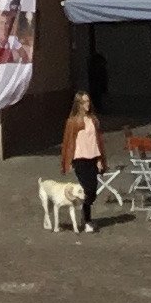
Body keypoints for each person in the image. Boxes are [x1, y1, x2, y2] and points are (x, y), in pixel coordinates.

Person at [61, 95, 106, 236]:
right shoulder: (73, 122)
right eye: (84, 102)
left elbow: (97, 141)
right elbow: (67, 143)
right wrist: (67, 162)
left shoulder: (93, 120)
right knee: (87, 189)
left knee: (93, 190)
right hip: (80, 159)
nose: (87, 104)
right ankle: (87, 221)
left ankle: (84, 214)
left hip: (92, 157)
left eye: (88, 101)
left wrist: (100, 159)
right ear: (79, 104)